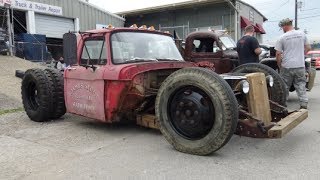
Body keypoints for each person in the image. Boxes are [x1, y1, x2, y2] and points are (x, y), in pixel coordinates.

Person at [275, 18, 311, 109]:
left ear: (285, 26)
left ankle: (283, 105)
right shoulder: (302, 34)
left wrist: (279, 65)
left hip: (287, 65)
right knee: (301, 84)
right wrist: (300, 55)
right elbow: (308, 47)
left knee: (284, 86)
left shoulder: (282, 37)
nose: (282, 29)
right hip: (300, 65)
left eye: (282, 27)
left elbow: (278, 53)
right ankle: (303, 104)